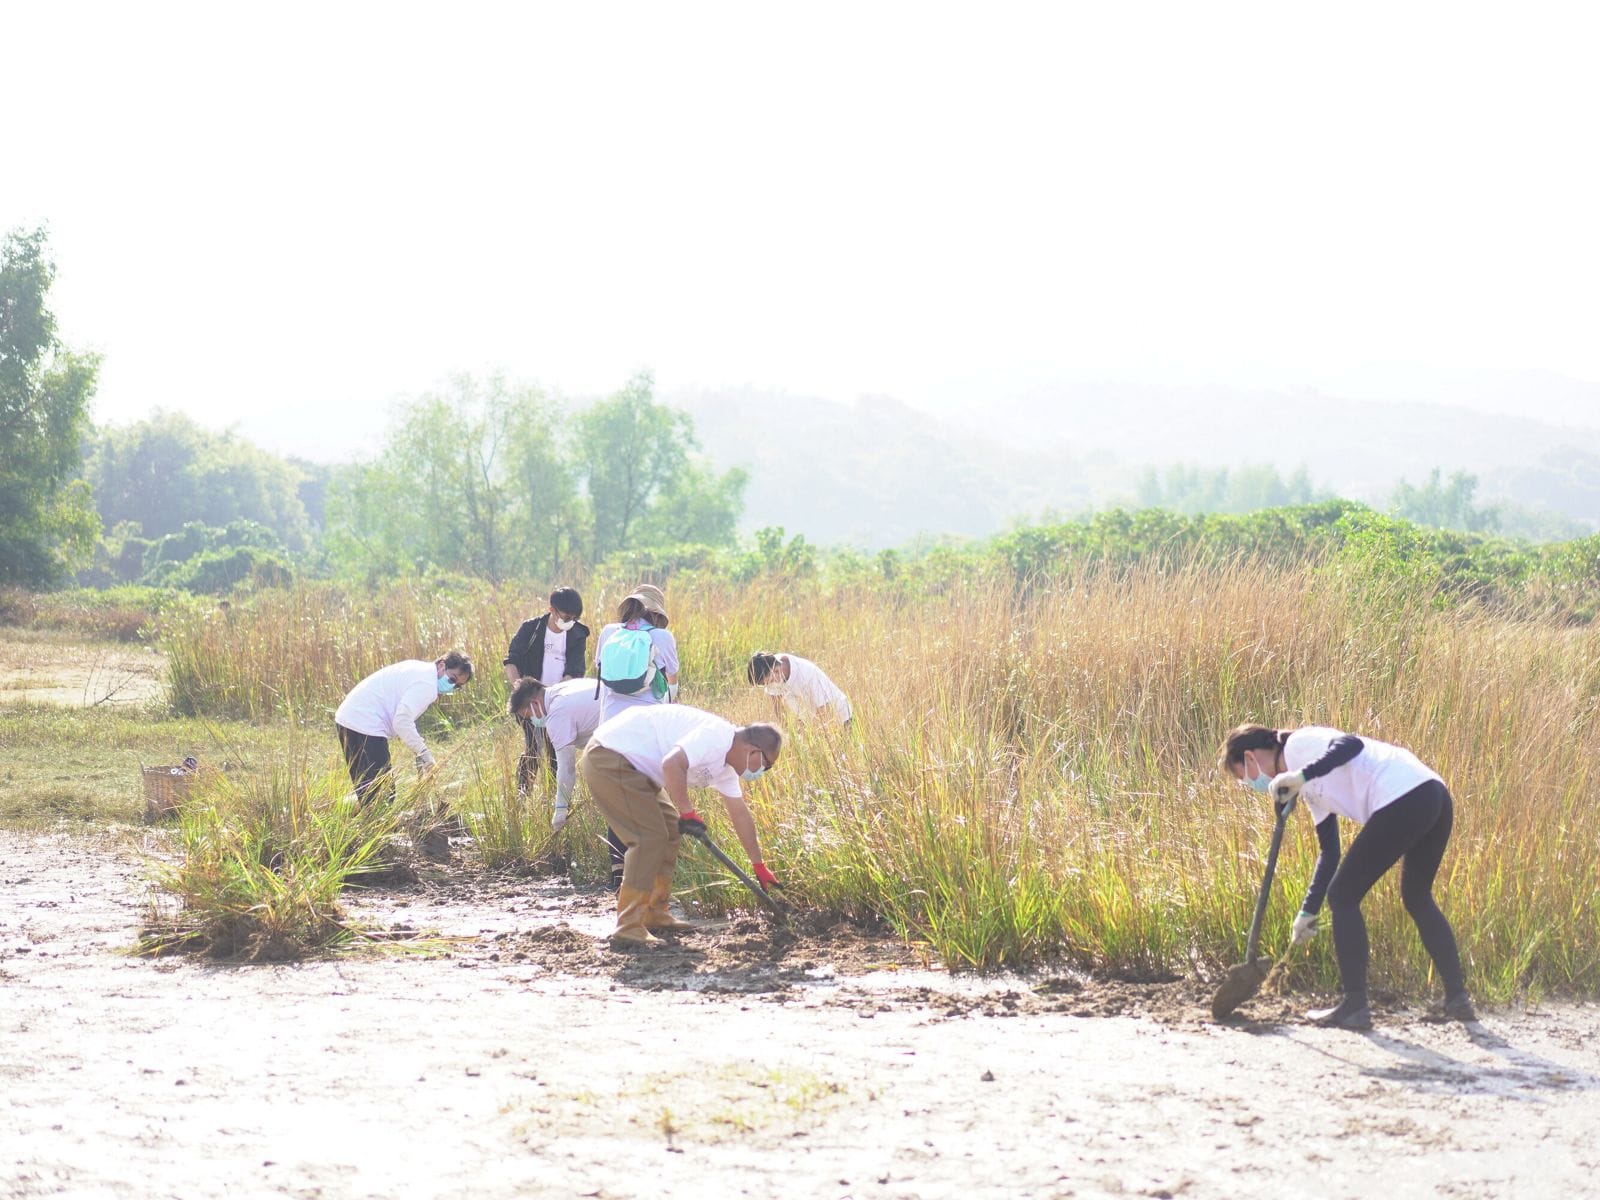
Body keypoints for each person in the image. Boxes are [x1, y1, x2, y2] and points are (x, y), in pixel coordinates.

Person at [1219, 723, 1474, 1030]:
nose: (1251, 782)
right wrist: (1307, 911)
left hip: (1408, 795)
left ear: (1250, 758)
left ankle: (1355, 1005)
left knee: (1343, 895)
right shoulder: (1308, 790)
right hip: (1431, 796)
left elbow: (1349, 745)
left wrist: (1301, 775)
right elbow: (1330, 853)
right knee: (1416, 897)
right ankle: (1458, 999)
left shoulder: (1297, 744)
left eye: (1243, 775)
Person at [581, 704, 782, 946]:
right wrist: (688, 813)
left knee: (669, 833)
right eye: (766, 764)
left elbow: (740, 814)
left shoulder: (727, 768)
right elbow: (672, 763)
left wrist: (758, 865)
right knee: (649, 837)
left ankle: (654, 912)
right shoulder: (716, 736)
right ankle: (628, 925)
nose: (763, 771)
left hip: (636, 770)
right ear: (753, 751)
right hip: (610, 755)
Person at [592, 586, 681, 888]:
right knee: (648, 797)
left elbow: (600, 671)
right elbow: (672, 678)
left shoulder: (608, 632)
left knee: (617, 800)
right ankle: (647, 872)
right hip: (645, 730)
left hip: (608, 729)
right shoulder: (662, 637)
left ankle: (618, 873)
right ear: (657, 613)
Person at [334, 652, 473, 806]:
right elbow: (401, 721)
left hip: (348, 718)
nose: (452, 686)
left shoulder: (420, 669)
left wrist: (417, 748)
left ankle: (339, 813)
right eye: (452, 679)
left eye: (457, 686)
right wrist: (423, 752)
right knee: (382, 796)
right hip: (365, 723)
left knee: (367, 791)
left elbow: (403, 716)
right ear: (441, 665)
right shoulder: (427, 684)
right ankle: (347, 816)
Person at [503, 587, 589, 792]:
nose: (570, 621)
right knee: (534, 746)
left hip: (557, 700)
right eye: (566, 616)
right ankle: (524, 792)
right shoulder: (531, 629)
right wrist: (519, 688)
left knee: (556, 749)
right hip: (529, 700)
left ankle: (553, 796)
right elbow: (511, 661)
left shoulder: (577, 634)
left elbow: (574, 670)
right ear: (552, 609)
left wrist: (555, 696)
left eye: (575, 618)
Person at [508, 675, 604, 831]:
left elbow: (567, 768)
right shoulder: (562, 689)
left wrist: (560, 810)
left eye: (529, 717)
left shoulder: (557, 714)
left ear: (535, 704)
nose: (532, 722)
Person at [747, 651, 851, 726]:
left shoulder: (807, 673)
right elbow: (778, 707)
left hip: (840, 719)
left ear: (776, 671)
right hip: (812, 722)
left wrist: (812, 735)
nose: (769, 686)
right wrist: (790, 731)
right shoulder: (771, 671)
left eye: (769, 682)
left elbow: (824, 709)